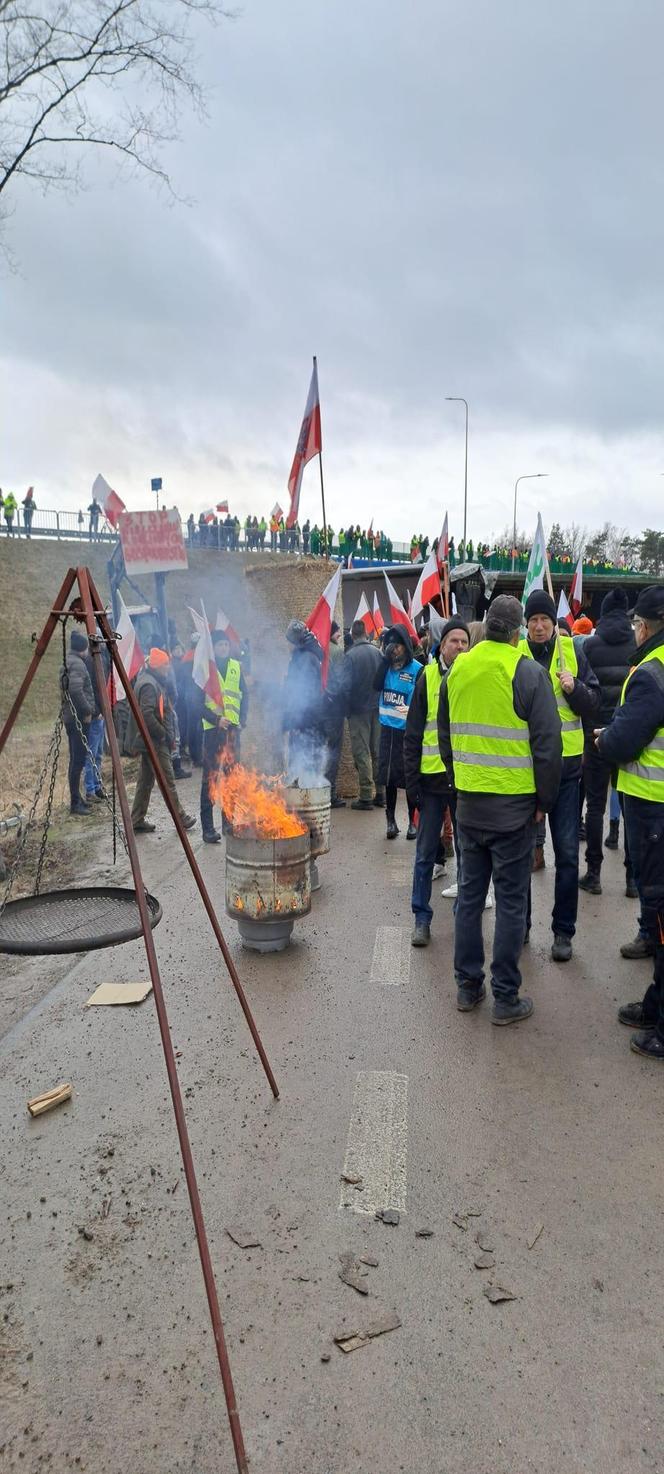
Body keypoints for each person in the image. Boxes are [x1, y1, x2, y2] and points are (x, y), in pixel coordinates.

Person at [439, 595, 561, 1023]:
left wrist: (459, 784)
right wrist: (544, 802)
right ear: (516, 633)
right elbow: (549, 746)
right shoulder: (527, 672)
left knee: (469, 900)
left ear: (486, 626)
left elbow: (446, 737)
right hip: (515, 811)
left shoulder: (457, 670)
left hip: (470, 806)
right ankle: (505, 998)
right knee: (511, 903)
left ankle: (467, 988)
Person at [595, 586, 664, 1060]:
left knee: (661, 915)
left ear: (648, 623)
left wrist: (605, 738)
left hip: (653, 806)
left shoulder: (652, 675)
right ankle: (656, 1004)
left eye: (640, 623)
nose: (636, 629)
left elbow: (626, 741)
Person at [523, 589, 600, 961]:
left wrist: (574, 688)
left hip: (568, 772)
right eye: (533, 620)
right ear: (526, 624)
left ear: (554, 623)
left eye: (544, 619)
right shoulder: (516, 655)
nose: (539, 626)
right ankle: (519, 925)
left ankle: (562, 932)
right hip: (526, 773)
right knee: (520, 855)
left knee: (567, 854)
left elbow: (593, 703)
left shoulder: (573, 652)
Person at [404, 616, 470, 946]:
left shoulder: (473, 677)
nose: (459, 646)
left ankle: (464, 914)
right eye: (454, 640)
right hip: (431, 782)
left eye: (464, 641)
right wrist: (411, 783)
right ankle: (421, 917)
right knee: (426, 851)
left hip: (463, 780)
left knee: (466, 850)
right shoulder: (425, 677)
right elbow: (413, 733)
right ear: (441, 645)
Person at [578, 589, 636, 897]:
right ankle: (631, 879)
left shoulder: (590, 645)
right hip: (626, 734)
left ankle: (594, 873)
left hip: (596, 736)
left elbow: (587, 693)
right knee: (627, 807)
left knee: (595, 805)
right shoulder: (637, 646)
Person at [128, 649, 196, 834]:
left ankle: (136, 819)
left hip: (150, 740)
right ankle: (180, 817)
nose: (169, 667)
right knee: (168, 780)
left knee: (145, 781)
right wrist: (164, 735)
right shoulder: (150, 685)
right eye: (166, 664)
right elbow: (147, 715)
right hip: (154, 741)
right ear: (158, 666)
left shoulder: (151, 680)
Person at [373, 626, 422, 839]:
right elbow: (375, 686)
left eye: (399, 645)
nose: (395, 650)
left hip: (408, 732)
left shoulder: (417, 669)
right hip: (387, 731)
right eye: (392, 646)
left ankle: (413, 820)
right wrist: (384, 662)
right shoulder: (386, 667)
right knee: (389, 778)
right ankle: (390, 821)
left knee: (410, 778)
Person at [200, 629, 248, 842]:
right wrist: (215, 719)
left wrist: (242, 720)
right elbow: (196, 704)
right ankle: (208, 829)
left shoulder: (236, 667)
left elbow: (244, 695)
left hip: (232, 731)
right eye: (220, 645)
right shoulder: (205, 670)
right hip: (212, 732)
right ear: (214, 648)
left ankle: (228, 822)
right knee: (210, 778)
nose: (224, 649)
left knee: (231, 777)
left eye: (226, 645)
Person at [341, 618, 384, 811]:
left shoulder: (350, 656)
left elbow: (345, 686)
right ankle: (381, 793)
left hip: (358, 710)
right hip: (377, 708)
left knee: (362, 752)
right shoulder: (378, 652)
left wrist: (346, 708)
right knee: (376, 751)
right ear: (366, 633)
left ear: (352, 635)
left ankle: (366, 795)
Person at [60, 629, 96, 814]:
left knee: (76, 760)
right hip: (79, 720)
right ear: (83, 648)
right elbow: (75, 690)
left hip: (71, 718)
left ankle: (78, 799)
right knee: (78, 761)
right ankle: (75, 803)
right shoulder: (79, 665)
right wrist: (87, 710)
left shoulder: (69, 661)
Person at [282, 619, 325, 776]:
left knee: (304, 756)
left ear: (295, 641)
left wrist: (295, 717)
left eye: (288, 642)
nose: (286, 645)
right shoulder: (302, 656)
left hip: (305, 718)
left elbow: (306, 693)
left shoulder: (305, 658)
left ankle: (305, 791)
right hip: (304, 717)